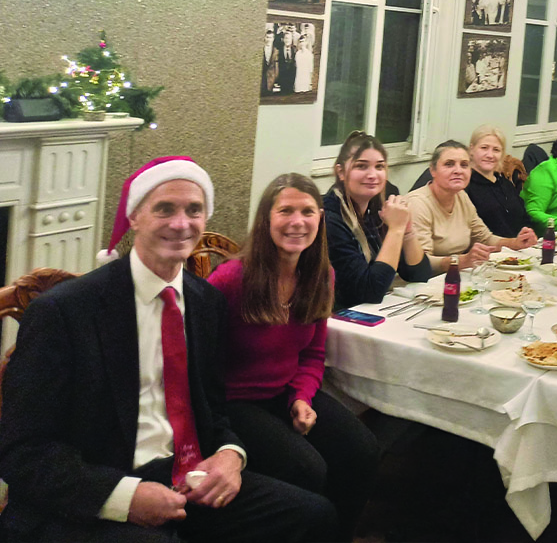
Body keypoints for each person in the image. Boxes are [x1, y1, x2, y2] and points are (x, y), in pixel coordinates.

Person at [0, 157, 337, 542]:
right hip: (93, 488)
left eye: (194, 210)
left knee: (313, 515)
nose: (181, 223)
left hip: (184, 476)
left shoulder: (205, 302)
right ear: (135, 218)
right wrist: (126, 496)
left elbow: (214, 408)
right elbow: (22, 451)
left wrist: (230, 455)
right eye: (165, 209)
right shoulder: (64, 312)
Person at [208, 173, 378, 540]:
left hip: (285, 393)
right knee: (308, 468)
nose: (297, 222)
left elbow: (314, 353)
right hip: (234, 403)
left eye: (307, 211)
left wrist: (302, 396)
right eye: (285, 210)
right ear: (266, 218)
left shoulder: (320, 276)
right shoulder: (232, 279)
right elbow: (197, 362)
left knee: (363, 451)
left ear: (320, 217)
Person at [324, 131, 432, 309]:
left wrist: (407, 231)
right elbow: (370, 291)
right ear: (341, 172)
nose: (372, 174)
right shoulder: (330, 218)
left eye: (379, 167)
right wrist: (396, 229)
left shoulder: (378, 208)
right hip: (339, 321)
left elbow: (419, 274)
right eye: (361, 166)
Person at [407, 141, 538, 272]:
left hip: (454, 275)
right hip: (420, 285)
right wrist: (462, 261)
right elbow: (421, 263)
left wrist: (515, 243)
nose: (458, 170)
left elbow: (485, 237)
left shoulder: (461, 197)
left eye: (464, 165)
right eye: (449, 164)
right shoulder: (417, 204)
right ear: (433, 170)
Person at [464, 125, 533, 238]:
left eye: (496, 150)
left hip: (518, 251)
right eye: (484, 148)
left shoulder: (505, 184)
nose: (490, 155)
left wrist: (527, 233)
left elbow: (524, 217)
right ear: (472, 149)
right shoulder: (466, 186)